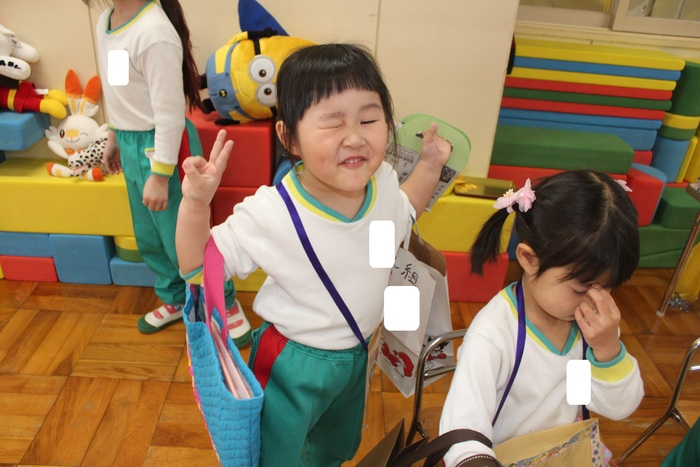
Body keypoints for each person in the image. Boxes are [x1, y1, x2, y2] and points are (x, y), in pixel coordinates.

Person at [176, 43, 452, 466]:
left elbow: (405, 209)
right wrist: (196, 203)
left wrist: (430, 166)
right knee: (278, 457)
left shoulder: (382, 182)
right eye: (333, 123)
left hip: (357, 352)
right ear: (290, 138)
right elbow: (197, 266)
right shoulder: (272, 213)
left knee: (334, 448)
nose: (355, 137)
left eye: (369, 119)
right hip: (293, 363)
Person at [439, 171, 645, 466]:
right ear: (529, 260)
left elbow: (615, 407)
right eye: (580, 289)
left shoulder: (588, 326)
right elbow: (462, 431)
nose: (595, 301)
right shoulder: (493, 336)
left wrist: (608, 350)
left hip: (560, 453)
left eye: (606, 287)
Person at [84, 0, 251, 346]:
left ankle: (225, 301)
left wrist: (160, 175)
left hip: (163, 145)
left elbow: (169, 113)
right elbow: (119, 89)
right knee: (150, 235)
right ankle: (175, 296)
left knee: (185, 234)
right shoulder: (106, 22)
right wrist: (113, 135)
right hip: (130, 141)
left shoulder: (154, 33)